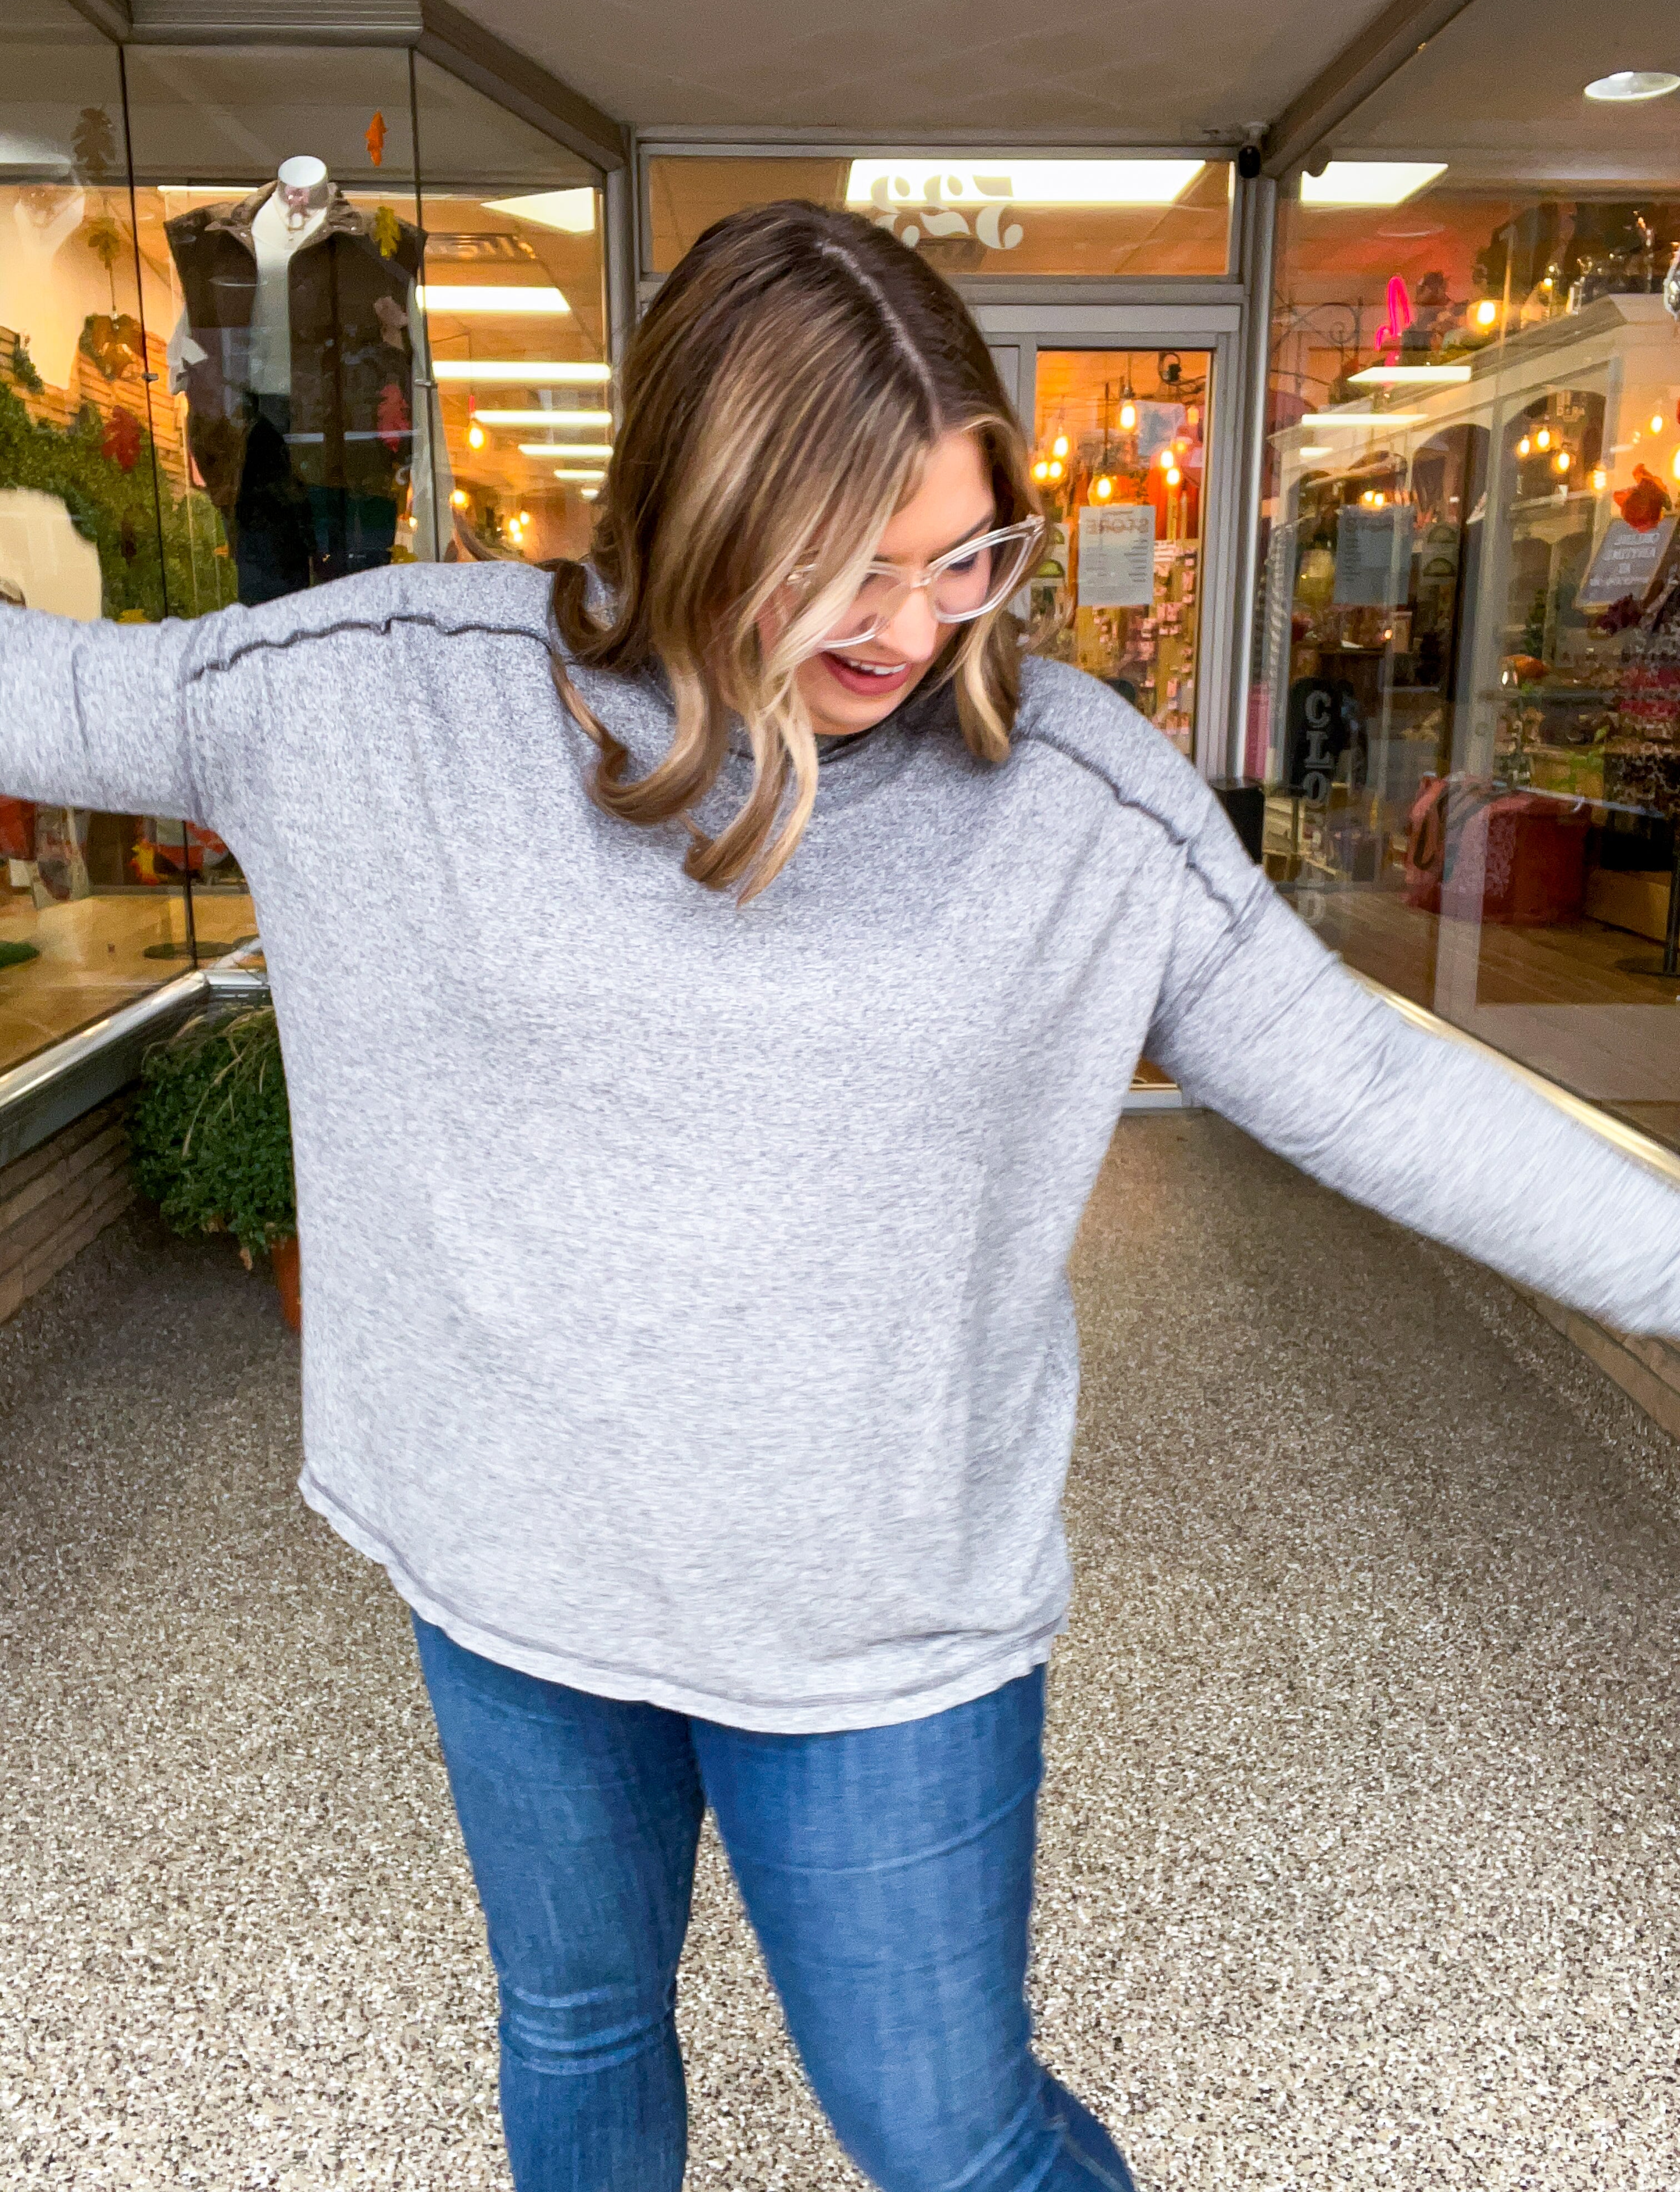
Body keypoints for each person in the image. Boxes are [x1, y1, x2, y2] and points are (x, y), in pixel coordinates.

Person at [2, 199, 1677, 2192]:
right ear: (688, 516)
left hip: (878, 1617)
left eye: (966, 555)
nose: (911, 626)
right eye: (841, 572)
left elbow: (1374, 1081)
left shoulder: (1070, 796)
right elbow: (53, 689)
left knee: (948, 2133)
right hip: (520, 1578)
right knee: (577, 2028)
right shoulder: (392, 695)